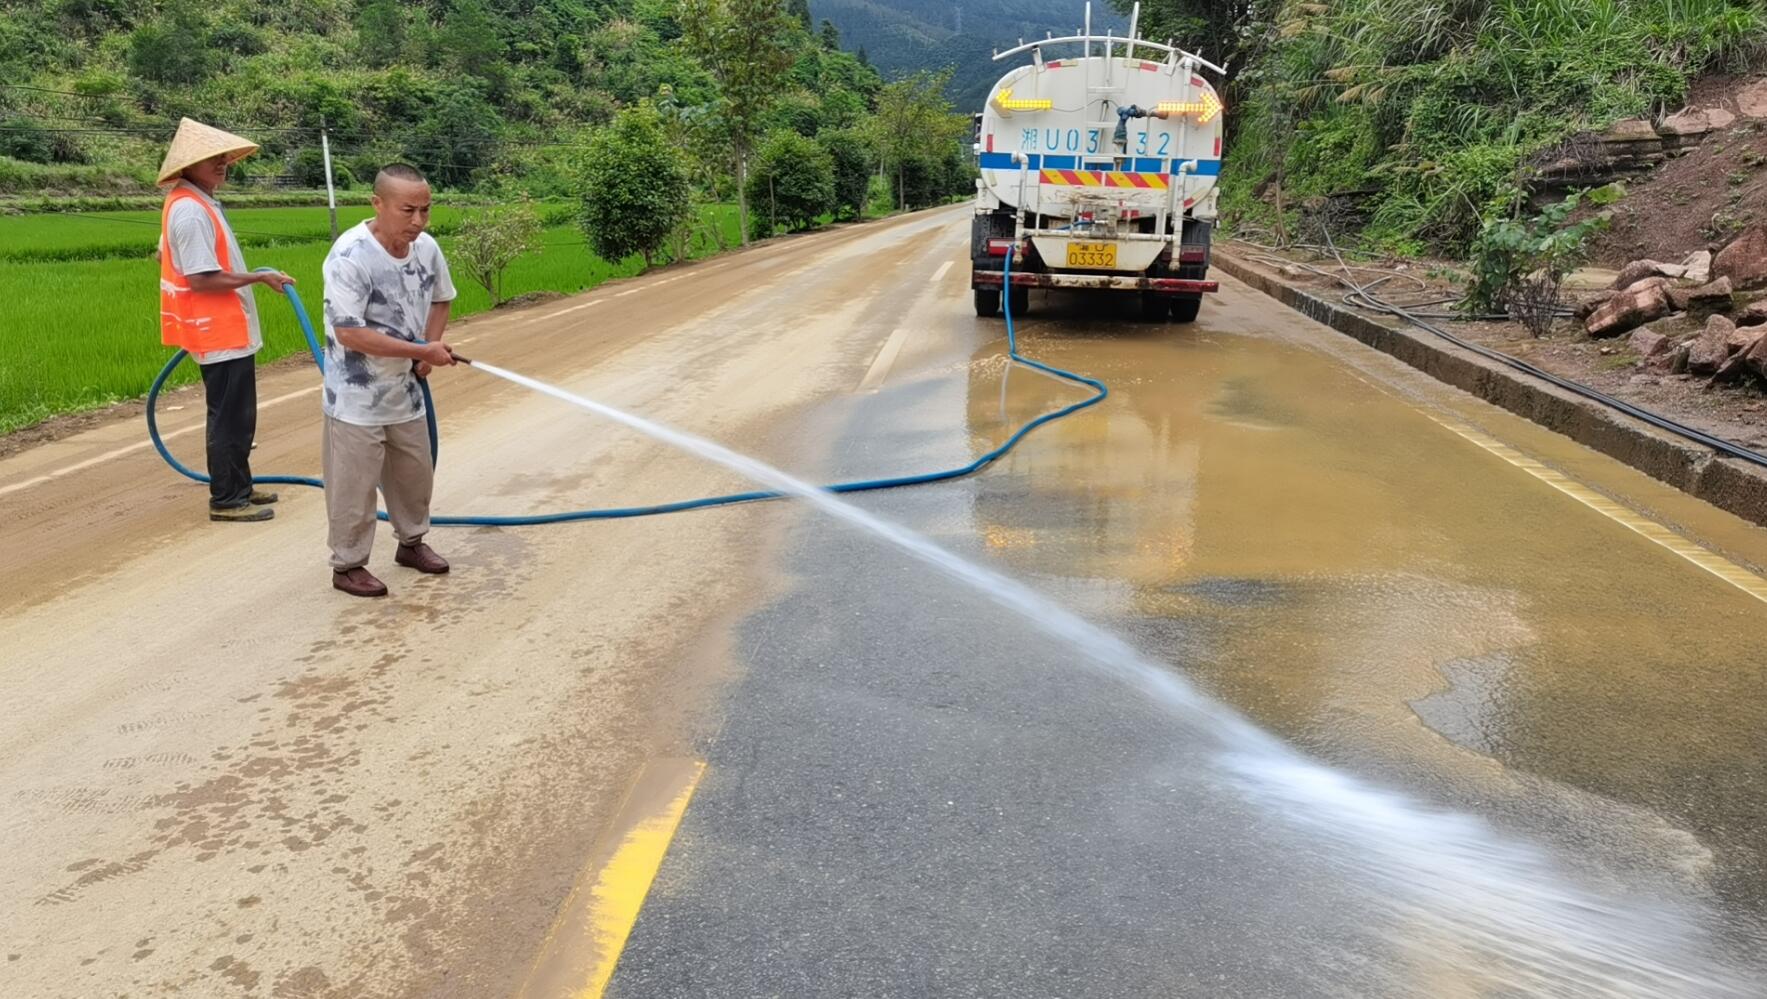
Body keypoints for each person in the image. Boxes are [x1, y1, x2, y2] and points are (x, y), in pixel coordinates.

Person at [320, 163, 459, 598]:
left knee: (414, 475)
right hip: (356, 398)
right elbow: (350, 333)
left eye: (425, 210)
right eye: (407, 211)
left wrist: (429, 348)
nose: (418, 221)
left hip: (405, 392)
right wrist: (423, 351)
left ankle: (411, 543)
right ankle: (348, 565)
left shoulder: (427, 249)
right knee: (354, 486)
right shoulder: (350, 257)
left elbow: (442, 298)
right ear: (377, 204)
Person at [156, 118, 296, 522]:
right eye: (211, 159)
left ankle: (240, 485)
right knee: (229, 416)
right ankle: (227, 499)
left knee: (239, 414)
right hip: (217, 330)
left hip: (226, 328)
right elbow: (201, 279)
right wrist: (259, 277)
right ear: (188, 165)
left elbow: (167, 256)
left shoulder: (198, 202)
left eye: (224, 158)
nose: (222, 164)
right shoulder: (189, 211)